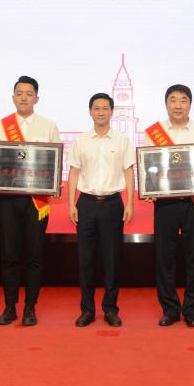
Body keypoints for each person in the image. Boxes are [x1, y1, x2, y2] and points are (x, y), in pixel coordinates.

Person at [0, 76, 60, 327]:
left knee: (34, 254)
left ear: (37, 98)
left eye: (29, 94)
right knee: (8, 254)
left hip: (35, 201)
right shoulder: (1, 126)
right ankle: (10, 307)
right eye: (19, 93)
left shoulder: (48, 126)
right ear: (13, 97)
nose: (24, 97)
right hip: (8, 199)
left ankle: (30, 307)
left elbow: (53, 162)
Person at [145, 84, 194, 327]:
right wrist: (150, 187)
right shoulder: (154, 132)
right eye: (173, 100)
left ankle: (192, 310)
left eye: (183, 100)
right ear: (166, 104)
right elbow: (150, 166)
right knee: (165, 257)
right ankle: (170, 309)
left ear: (190, 104)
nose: (178, 105)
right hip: (165, 203)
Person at [67, 92, 135, 327]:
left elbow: (128, 171)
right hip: (85, 204)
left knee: (112, 259)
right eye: (96, 108)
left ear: (112, 112)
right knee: (85, 260)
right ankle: (87, 310)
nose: (101, 112)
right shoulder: (81, 140)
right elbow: (74, 171)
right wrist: (71, 203)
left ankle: (110, 309)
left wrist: (130, 203)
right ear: (90, 111)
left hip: (113, 204)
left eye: (105, 108)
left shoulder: (122, 140)